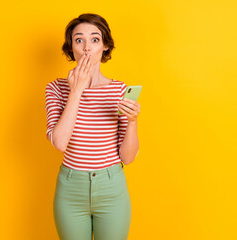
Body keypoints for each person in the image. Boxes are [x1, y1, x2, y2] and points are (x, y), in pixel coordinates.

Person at [44, 13, 141, 240]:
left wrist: (133, 121)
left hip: (111, 188)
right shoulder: (56, 88)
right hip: (70, 189)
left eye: (95, 39)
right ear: (71, 48)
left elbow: (127, 158)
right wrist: (76, 89)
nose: (87, 47)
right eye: (79, 40)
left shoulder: (119, 90)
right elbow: (59, 142)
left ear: (105, 46)